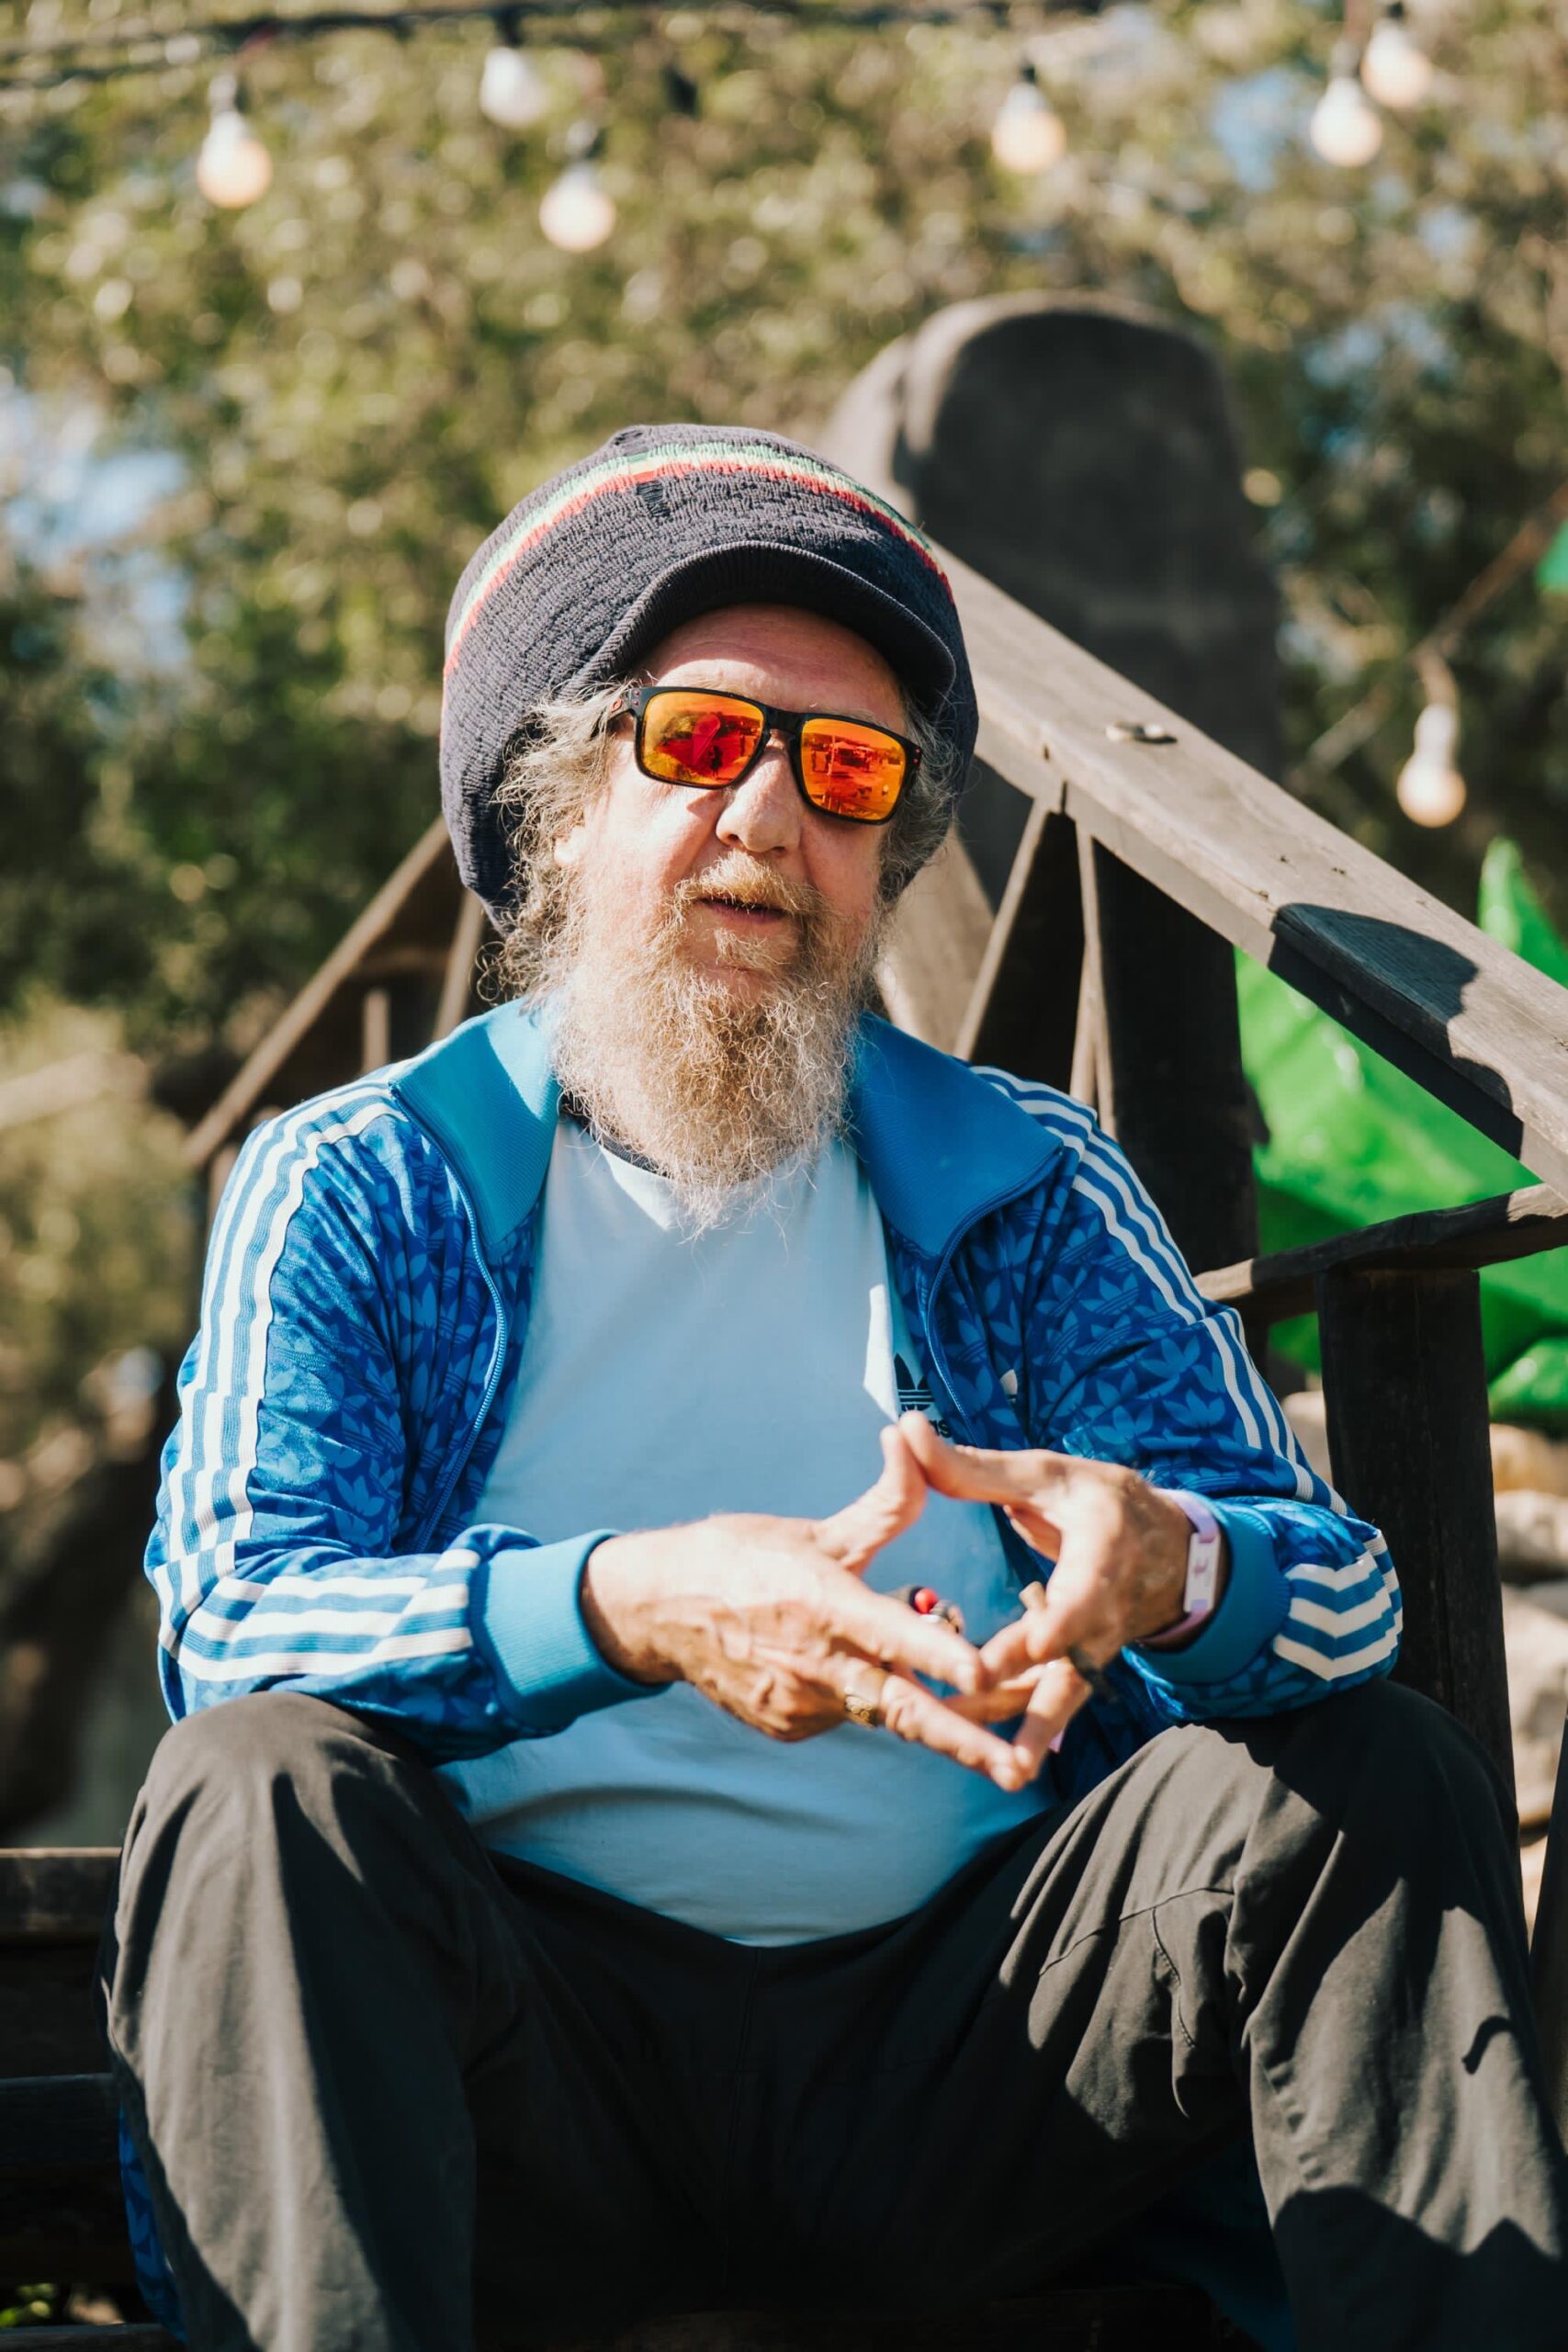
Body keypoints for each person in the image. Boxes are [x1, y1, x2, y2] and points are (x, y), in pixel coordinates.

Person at [98, 424, 1566, 2352]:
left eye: (848, 770)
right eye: (702, 740)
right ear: (556, 805)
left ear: (883, 850)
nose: (774, 815)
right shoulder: (366, 1176)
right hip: (529, 2077)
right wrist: (629, 1603)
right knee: (260, 1784)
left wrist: (1174, 1568)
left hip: (966, 2069)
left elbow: (1349, 1603)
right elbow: (233, 1630)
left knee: (1375, 1768)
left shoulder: (1026, 1178)